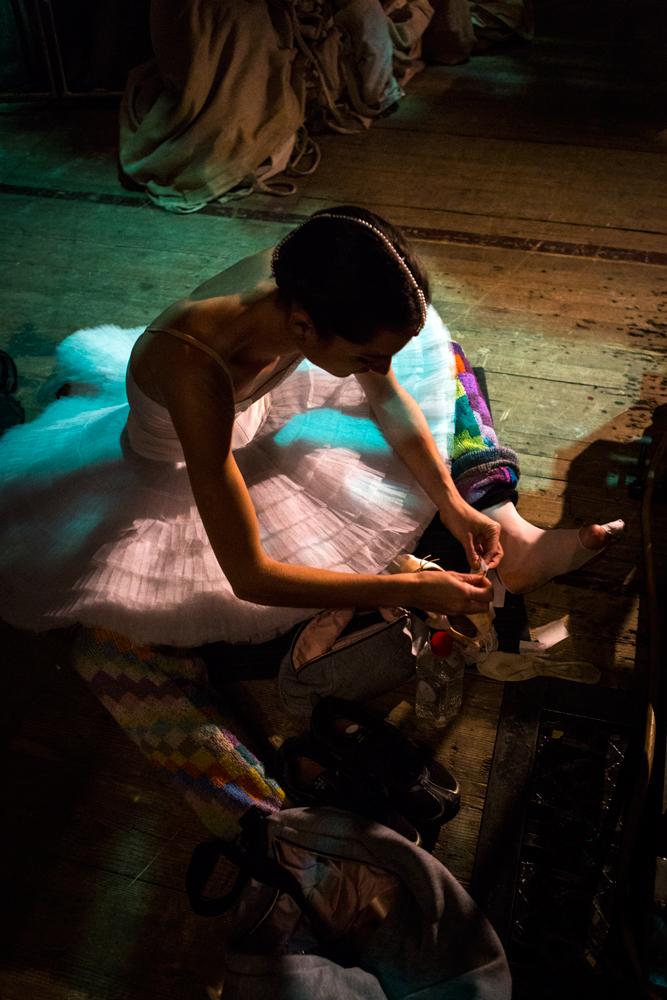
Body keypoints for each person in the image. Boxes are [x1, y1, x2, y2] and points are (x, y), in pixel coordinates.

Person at [0, 205, 622, 836]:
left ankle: (497, 514)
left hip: (249, 419)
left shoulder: (306, 285)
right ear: (302, 325)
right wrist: (412, 588)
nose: (377, 369)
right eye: (366, 355)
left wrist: (453, 506)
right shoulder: (195, 369)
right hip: (184, 473)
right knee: (251, 604)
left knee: (437, 370)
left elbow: (387, 394)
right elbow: (250, 575)